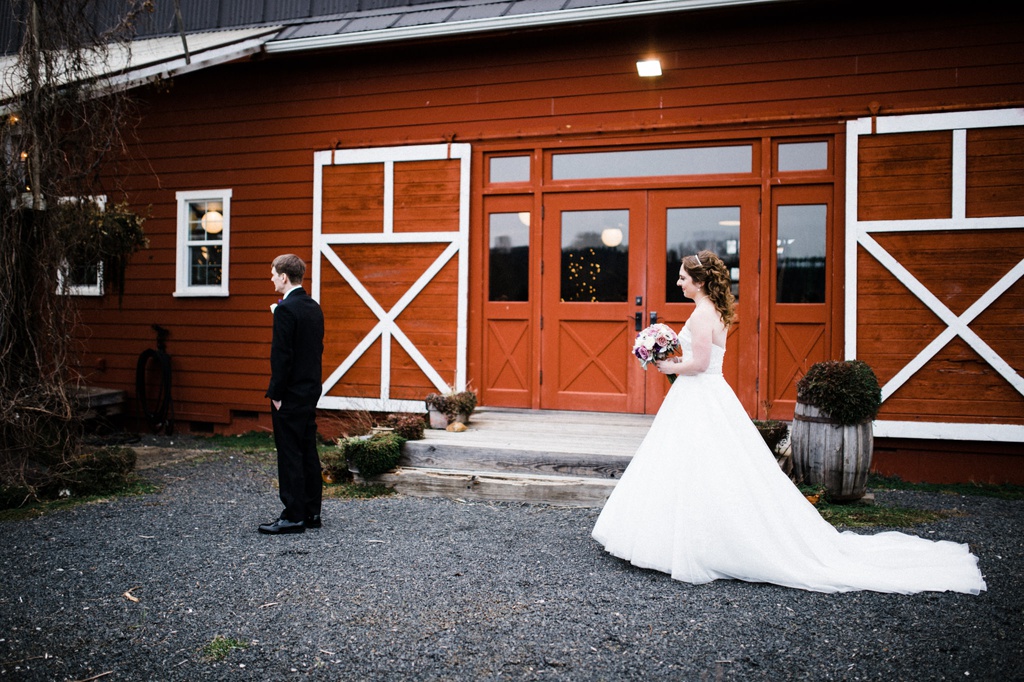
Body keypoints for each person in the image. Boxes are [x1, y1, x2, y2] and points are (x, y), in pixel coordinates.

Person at [592, 250, 986, 594]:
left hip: (699, 395)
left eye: (682, 277)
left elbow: (697, 364)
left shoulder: (699, 316)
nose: (677, 281)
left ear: (698, 281)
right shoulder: (715, 312)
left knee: (696, 462)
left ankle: (691, 542)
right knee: (712, 465)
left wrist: (665, 362)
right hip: (710, 395)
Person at [260, 254, 325, 535]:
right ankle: (312, 512)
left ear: (284, 277)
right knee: (307, 450)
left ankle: (293, 515)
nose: (272, 278)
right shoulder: (313, 307)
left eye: (273, 273)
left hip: (290, 392)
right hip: (310, 388)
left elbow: (282, 356)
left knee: (289, 453)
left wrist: (276, 393)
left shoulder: (286, 310)